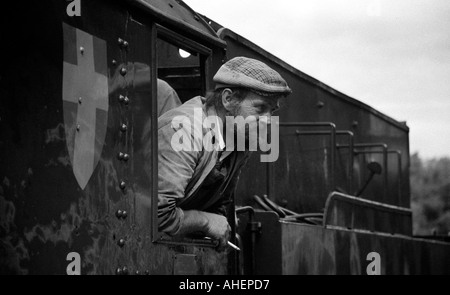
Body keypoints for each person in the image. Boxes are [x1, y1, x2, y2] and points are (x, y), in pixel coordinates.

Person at [157, 56, 291, 250]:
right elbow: (158, 216)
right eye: (260, 108)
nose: (268, 120)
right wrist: (205, 222)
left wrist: (215, 221)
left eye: (272, 111)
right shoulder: (185, 129)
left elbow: (219, 204)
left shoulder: (241, 140)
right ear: (228, 99)